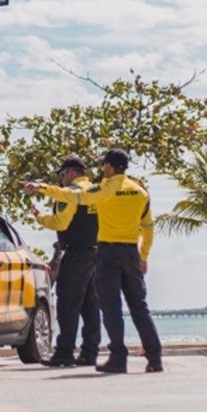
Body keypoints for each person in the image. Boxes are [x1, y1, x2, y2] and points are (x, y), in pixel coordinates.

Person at [24, 148, 163, 374]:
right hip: (131, 253)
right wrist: (144, 255)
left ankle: (118, 358)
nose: (102, 169)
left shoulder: (105, 189)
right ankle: (155, 358)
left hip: (108, 253)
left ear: (109, 167)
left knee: (111, 308)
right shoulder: (140, 192)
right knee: (139, 307)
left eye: (103, 165)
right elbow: (148, 227)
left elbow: (73, 196)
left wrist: (41, 188)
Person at [29, 156, 101, 367]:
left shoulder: (68, 194)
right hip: (97, 254)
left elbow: (60, 222)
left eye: (61, 174)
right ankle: (90, 352)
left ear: (71, 172)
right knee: (91, 306)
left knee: (68, 304)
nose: (61, 180)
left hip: (76, 253)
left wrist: (39, 216)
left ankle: (64, 352)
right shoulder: (96, 191)